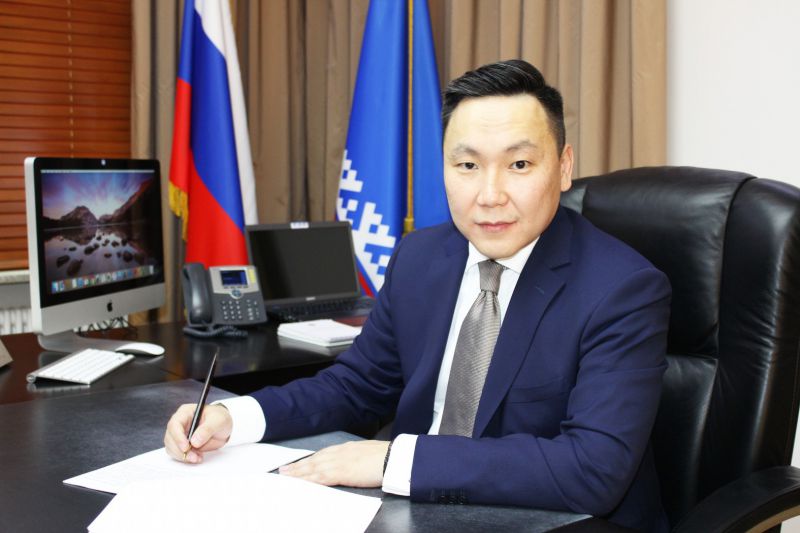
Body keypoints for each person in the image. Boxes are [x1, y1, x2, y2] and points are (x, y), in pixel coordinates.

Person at [164, 59, 671, 532]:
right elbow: (356, 386)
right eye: (467, 166)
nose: (489, 195)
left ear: (562, 167)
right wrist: (235, 418)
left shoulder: (622, 290)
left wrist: (393, 461)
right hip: (413, 513)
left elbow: (593, 468)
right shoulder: (420, 257)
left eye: (519, 164)